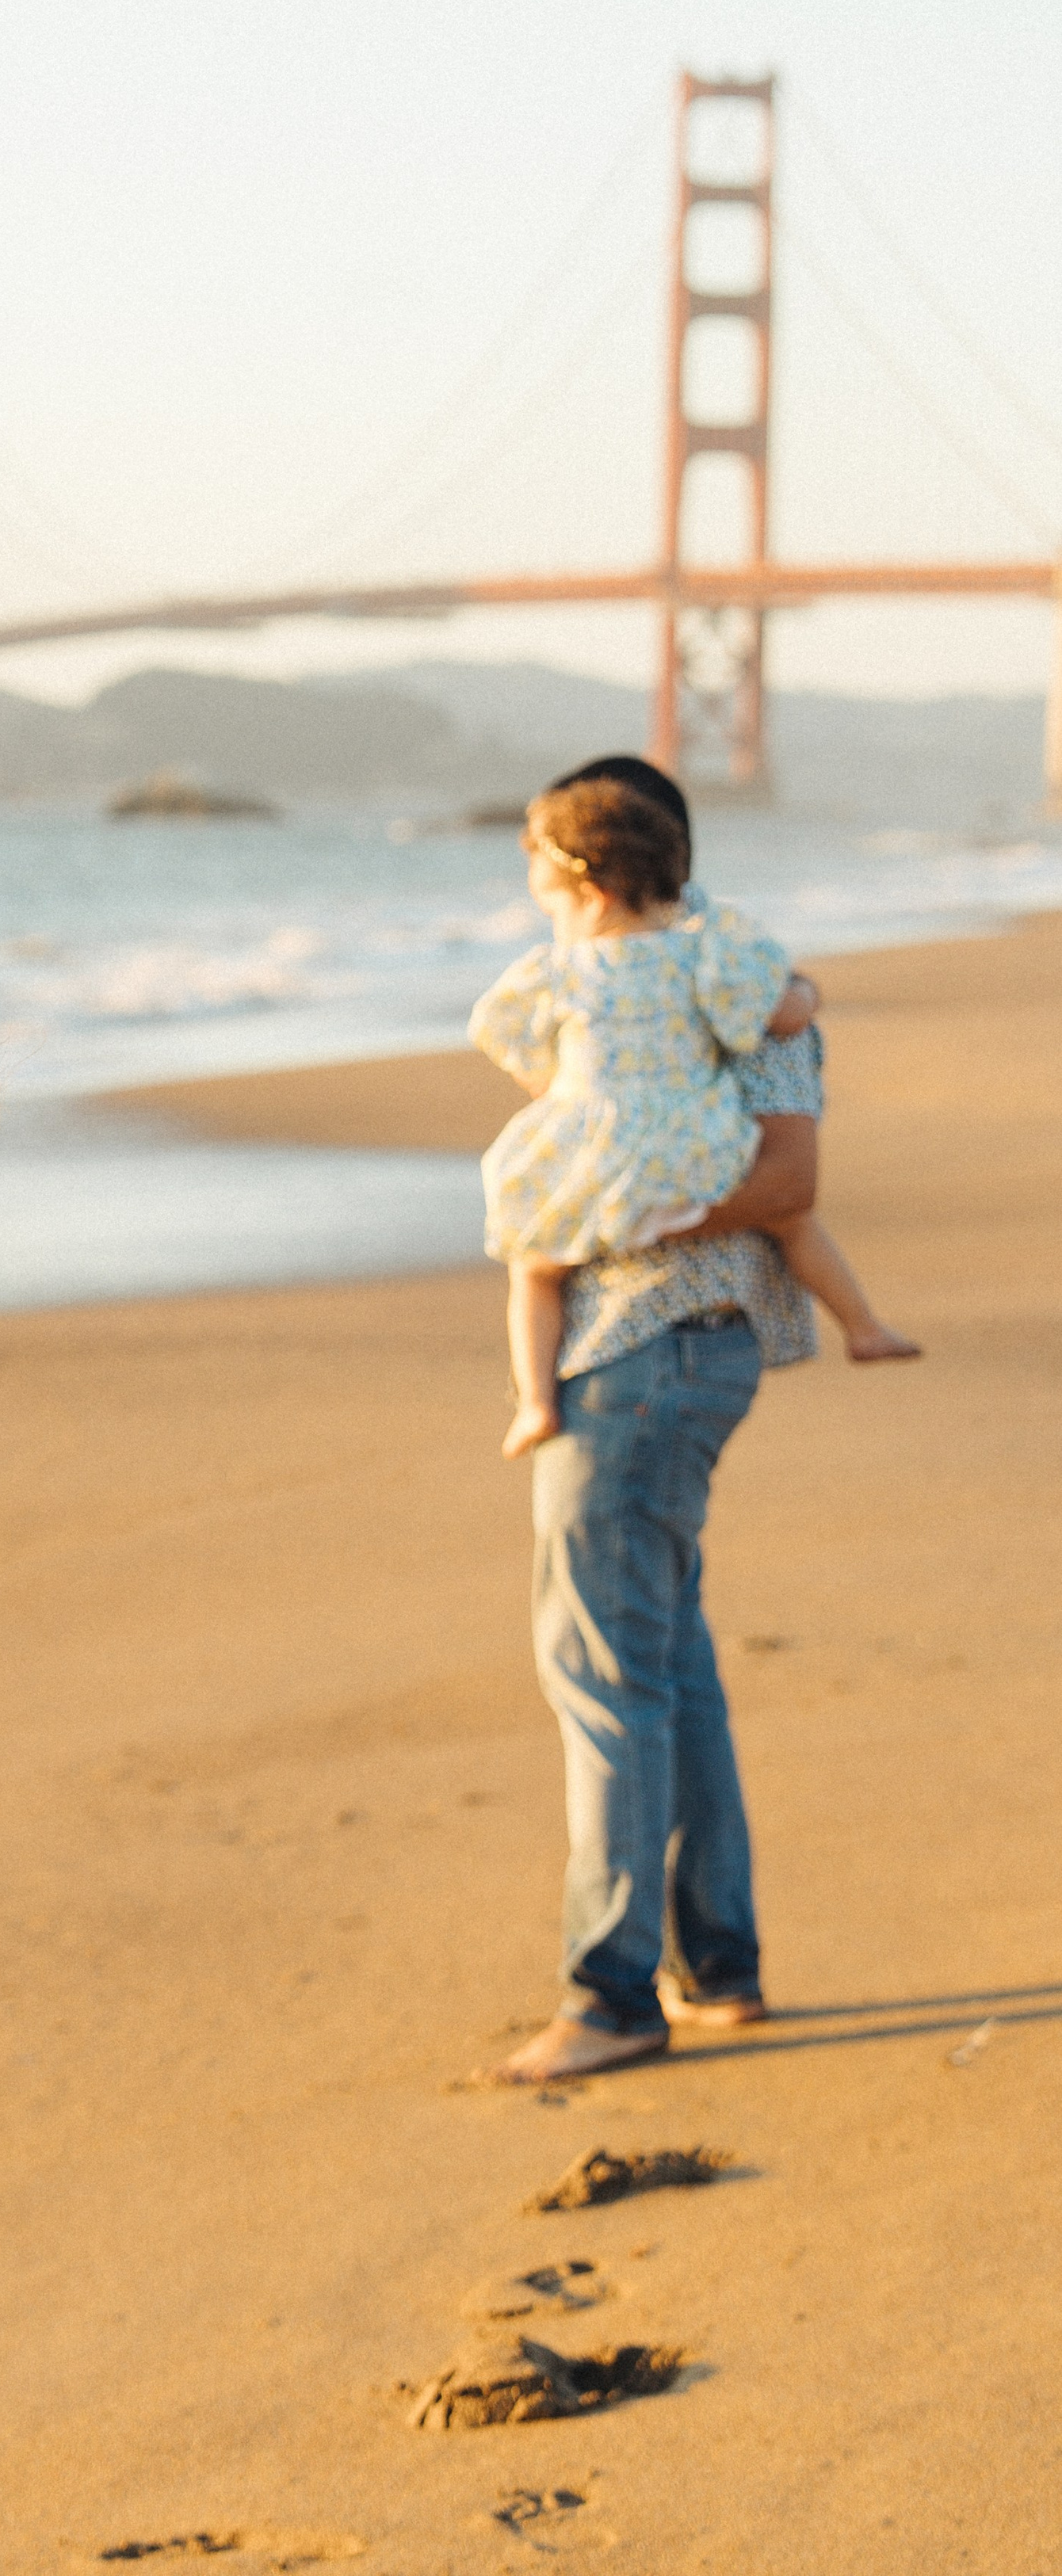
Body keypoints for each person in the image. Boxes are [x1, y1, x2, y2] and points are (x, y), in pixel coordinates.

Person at [475, 756, 880, 2086]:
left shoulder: (727, 981)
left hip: (641, 1348)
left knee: (601, 1674)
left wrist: (606, 1217)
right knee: (666, 1656)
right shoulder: (711, 975)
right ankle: (719, 1965)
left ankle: (610, 1995)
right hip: (688, 1351)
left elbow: (790, 1179)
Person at [474, 777, 918, 1458]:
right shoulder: (704, 953)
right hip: (696, 1142)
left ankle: (533, 1403)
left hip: (600, 1158)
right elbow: (776, 1016)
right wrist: (805, 993)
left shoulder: (556, 971)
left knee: (534, 1268)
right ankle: (863, 1327)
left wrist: (559, 1089)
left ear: (592, 894)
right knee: (792, 1223)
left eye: (552, 904)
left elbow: (502, 1035)